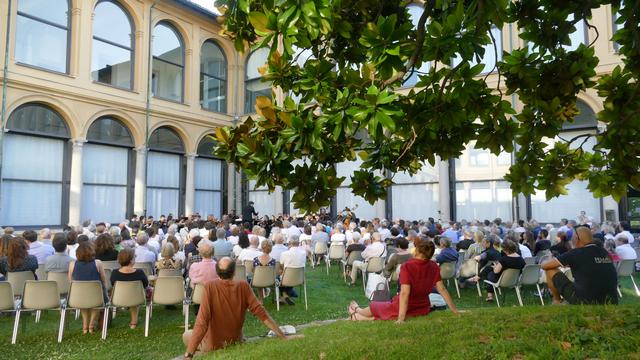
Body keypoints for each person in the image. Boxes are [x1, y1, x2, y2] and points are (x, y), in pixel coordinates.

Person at [182, 257, 290, 358]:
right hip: (235, 340)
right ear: (234, 272)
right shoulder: (243, 286)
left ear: (217, 272)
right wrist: (283, 336)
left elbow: (202, 322)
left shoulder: (210, 286)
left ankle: (203, 352)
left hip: (214, 344)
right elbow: (262, 313)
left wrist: (189, 354)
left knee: (186, 335)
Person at [348, 239, 460, 321]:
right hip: (422, 307)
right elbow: (442, 289)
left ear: (416, 250)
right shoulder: (433, 266)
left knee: (375, 306)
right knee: (383, 307)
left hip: (406, 306)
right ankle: (358, 314)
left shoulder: (408, 266)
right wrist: (455, 310)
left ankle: (357, 311)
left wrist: (400, 319)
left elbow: (405, 293)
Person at [542, 226, 618, 305]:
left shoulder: (575, 253)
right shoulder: (604, 252)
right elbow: (591, 264)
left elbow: (545, 266)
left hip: (583, 300)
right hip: (610, 300)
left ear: (577, 238)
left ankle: (557, 301)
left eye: (572, 237)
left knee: (550, 270)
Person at [68, 242, 108, 334]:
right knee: (98, 299)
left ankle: (85, 326)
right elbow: (103, 280)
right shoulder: (98, 263)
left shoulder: (72, 264)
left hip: (79, 296)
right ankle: (91, 325)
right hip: (96, 295)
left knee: (84, 300)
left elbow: (71, 282)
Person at [110, 248, 149, 329]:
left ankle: (133, 321)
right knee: (136, 295)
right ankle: (133, 322)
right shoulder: (139, 272)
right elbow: (145, 285)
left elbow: (112, 284)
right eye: (134, 257)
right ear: (131, 261)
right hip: (136, 299)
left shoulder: (114, 273)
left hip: (119, 299)